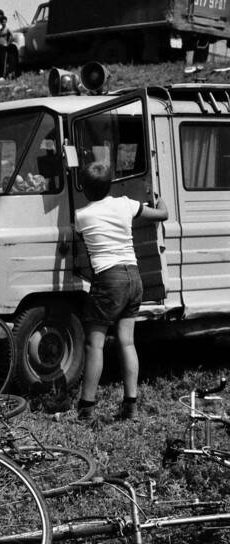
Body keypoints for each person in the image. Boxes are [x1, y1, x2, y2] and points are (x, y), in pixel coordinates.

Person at [72, 163, 169, 422]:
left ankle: (86, 408)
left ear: (83, 188)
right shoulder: (127, 204)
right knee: (127, 342)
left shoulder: (81, 216)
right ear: (110, 184)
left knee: (95, 344)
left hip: (109, 279)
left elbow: (83, 242)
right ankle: (130, 405)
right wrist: (160, 200)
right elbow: (161, 215)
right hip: (133, 277)